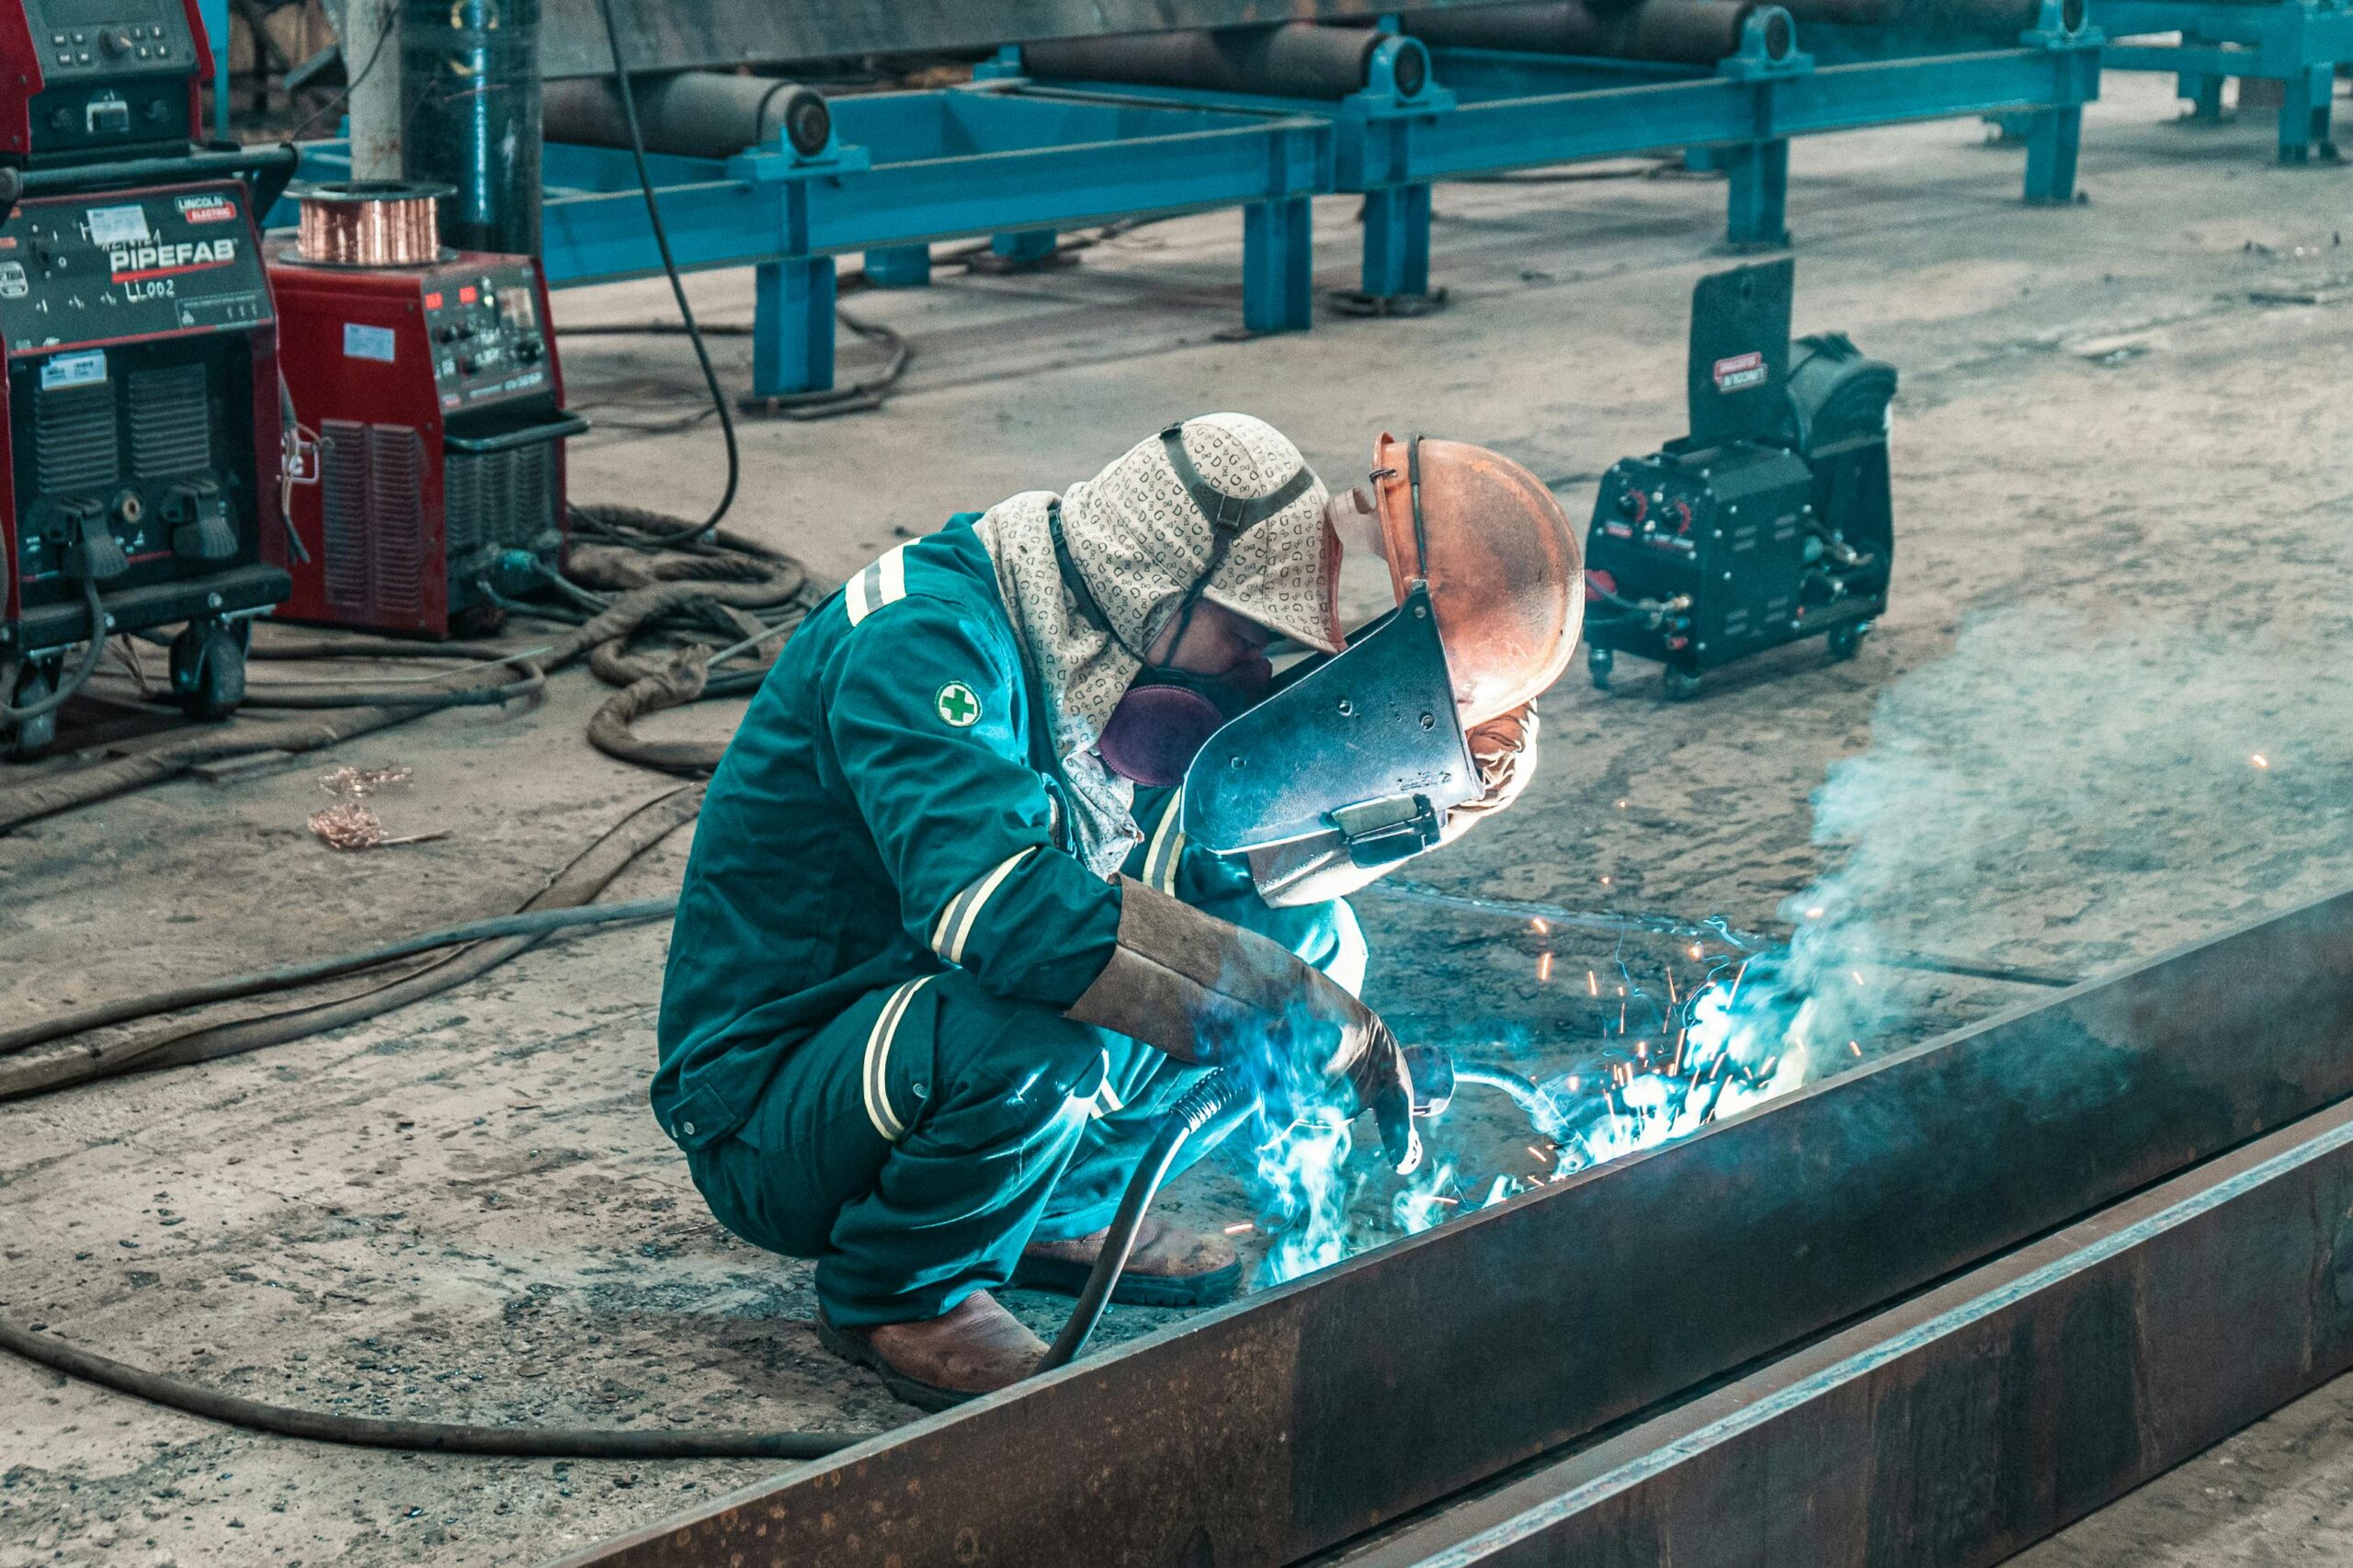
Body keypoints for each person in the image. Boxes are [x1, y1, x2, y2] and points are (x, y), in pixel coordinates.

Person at [654, 415, 1576, 1410]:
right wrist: (1286, 1004)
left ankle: (1058, 1211)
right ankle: (899, 1288)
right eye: (1245, 639)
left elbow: (1241, 873)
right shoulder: (920, 639)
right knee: (1040, 1037)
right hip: (771, 1100)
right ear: (1154, 590)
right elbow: (1004, 916)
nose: (1250, 674)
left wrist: (1414, 784)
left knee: (1305, 938)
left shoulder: (1091, 648)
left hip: (925, 1020)